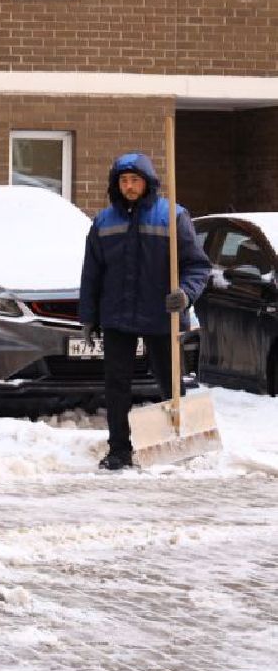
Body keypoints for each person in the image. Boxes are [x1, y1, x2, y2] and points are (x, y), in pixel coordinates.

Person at [78, 152, 211, 470]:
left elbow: (197, 266)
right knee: (116, 385)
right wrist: (88, 316)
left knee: (170, 380)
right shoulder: (104, 222)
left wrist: (185, 294)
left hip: (161, 313)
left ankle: (180, 444)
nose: (129, 186)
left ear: (147, 183)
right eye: (123, 180)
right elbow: (92, 274)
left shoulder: (173, 216)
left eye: (134, 180)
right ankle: (119, 450)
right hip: (117, 315)